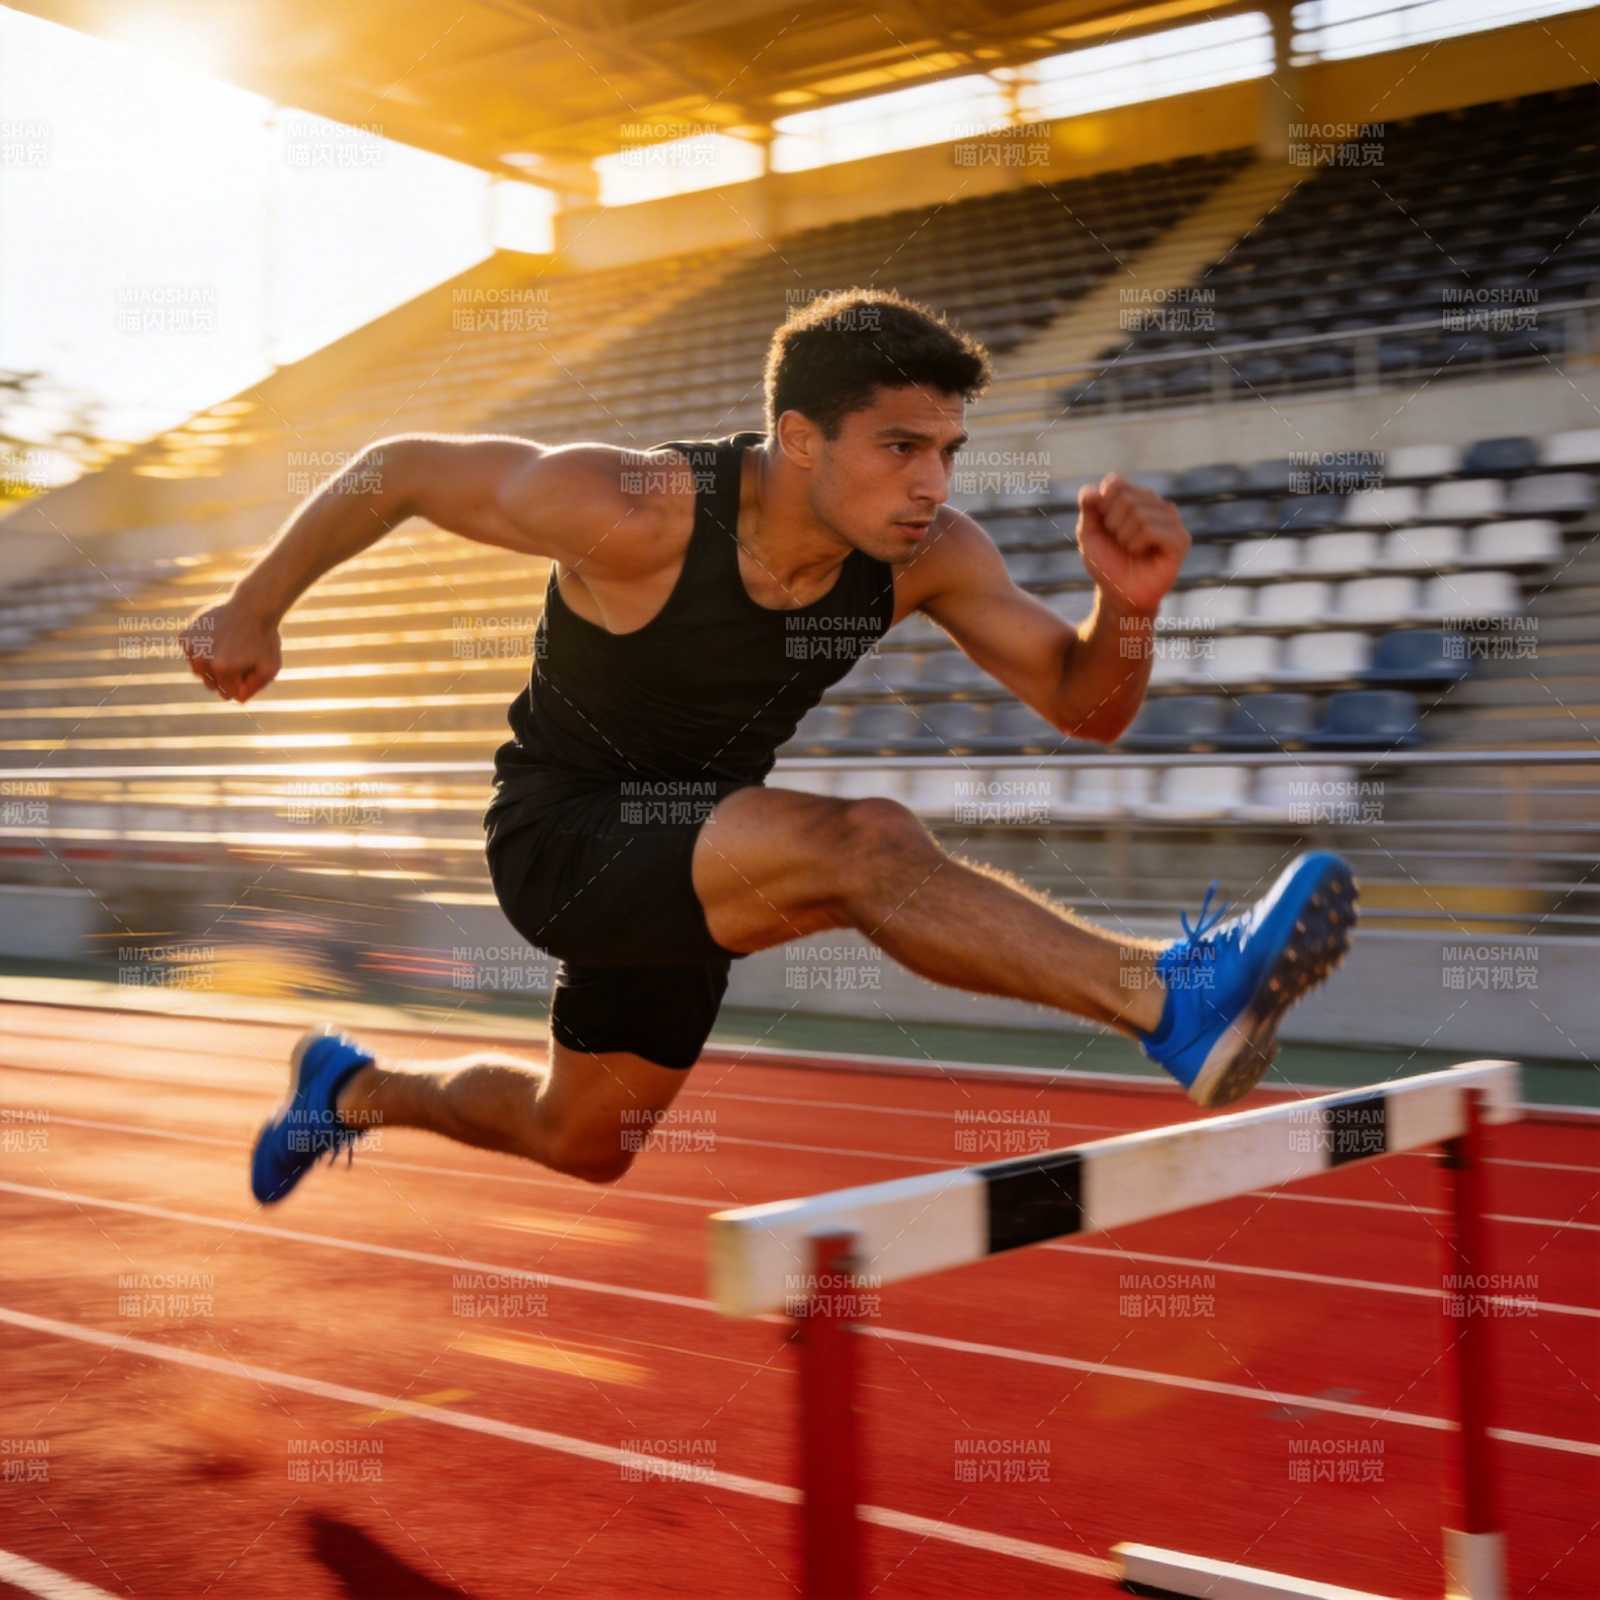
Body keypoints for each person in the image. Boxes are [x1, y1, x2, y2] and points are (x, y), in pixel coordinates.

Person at [178, 287, 1355, 1204]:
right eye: (899, 447)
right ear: (798, 436)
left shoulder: (926, 553)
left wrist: (1130, 607)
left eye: (947, 449)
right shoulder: (634, 507)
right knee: (865, 843)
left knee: (579, 1139)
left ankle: (353, 1088)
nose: (930, 484)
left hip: (703, 856)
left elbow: (1083, 702)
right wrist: (256, 605)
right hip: (562, 836)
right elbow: (398, 469)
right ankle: (1168, 995)